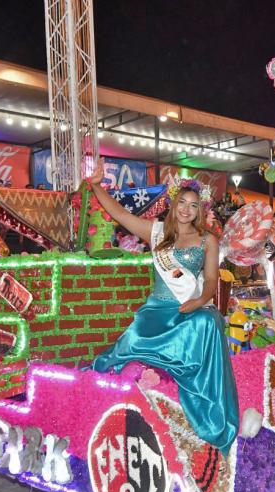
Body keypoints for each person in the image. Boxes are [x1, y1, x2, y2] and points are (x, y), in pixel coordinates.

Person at [89, 160, 239, 455]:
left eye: (193, 205)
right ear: (173, 204)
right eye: (182, 202)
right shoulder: (154, 231)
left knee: (208, 323)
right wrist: (96, 185)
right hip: (156, 310)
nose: (186, 209)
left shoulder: (208, 240)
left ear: (200, 211)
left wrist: (198, 300)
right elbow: (118, 213)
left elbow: (210, 280)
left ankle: (205, 405)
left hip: (187, 307)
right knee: (125, 345)